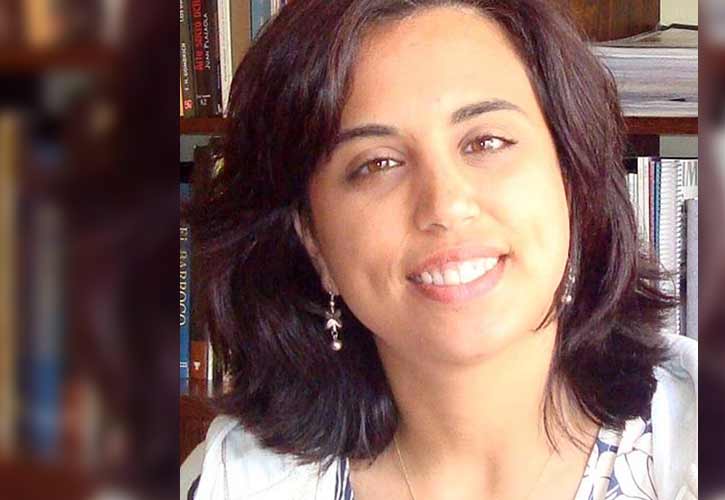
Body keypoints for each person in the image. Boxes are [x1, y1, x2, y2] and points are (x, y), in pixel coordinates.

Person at [181, 0, 697, 499]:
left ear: (571, 180)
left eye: (486, 141)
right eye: (378, 163)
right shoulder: (233, 480)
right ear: (313, 241)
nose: (445, 205)